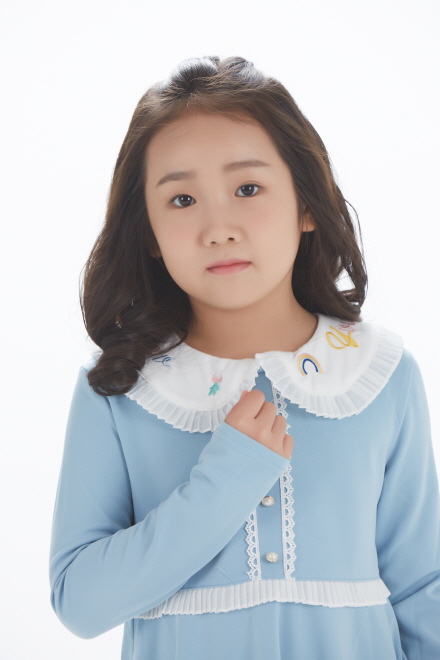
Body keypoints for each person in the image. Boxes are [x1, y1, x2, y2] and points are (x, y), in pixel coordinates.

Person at [48, 55, 440, 659]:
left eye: (248, 189)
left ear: (307, 204)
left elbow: (422, 589)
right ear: (148, 233)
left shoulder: (379, 374)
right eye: (182, 199)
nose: (218, 228)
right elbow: (80, 602)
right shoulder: (120, 388)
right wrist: (227, 479)